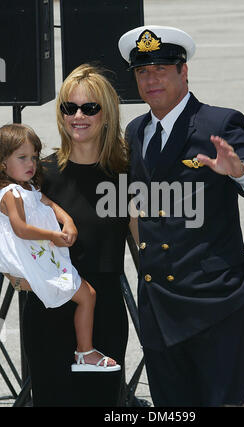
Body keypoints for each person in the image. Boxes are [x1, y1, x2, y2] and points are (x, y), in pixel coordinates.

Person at [118, 25, 244, 406]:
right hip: (159, 303)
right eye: (143, 72)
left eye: (162, 69)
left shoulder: (217, 123)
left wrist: (240, 172)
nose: (151, 79)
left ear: (184, 72)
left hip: (214, 302)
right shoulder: (136, 130)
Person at [8, 64, 130, 406]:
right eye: (69, 107)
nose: (78, 115)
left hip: (103, 310)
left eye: (90, 108)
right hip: (47, 310)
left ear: (107, 115)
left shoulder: (125, 175)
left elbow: (150, 240)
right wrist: (17, 278)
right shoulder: (38, 174)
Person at [0, 123, 120, 373]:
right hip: (34, 262)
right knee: (88, 296)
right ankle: (84, 352)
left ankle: (84, 351)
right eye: (22, 157)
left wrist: (68, 221)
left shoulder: (28, 188)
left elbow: (50, 203)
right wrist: (54, 235)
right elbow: (20, 228)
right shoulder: (11, 193)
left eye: (33, 156)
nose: (31, 163)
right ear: (2, 164)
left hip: (44, 258)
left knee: (87, 296)